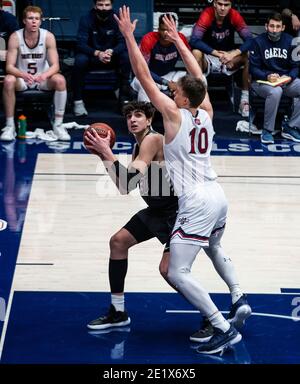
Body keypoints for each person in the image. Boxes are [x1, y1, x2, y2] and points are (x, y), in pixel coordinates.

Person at [114, 7, 251, 354]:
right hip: (218, 194)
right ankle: (238, 294)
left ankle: (221, 327)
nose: (170, 92)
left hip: (196, 200)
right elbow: (197, 77)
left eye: (175, 91)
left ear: (183, 99)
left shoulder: (174, 118)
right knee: (214, 247)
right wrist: (179, 41)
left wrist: (130, 37)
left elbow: (143, 75)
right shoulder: (206, 112)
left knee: (176, 272)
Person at [84, 100, 179, 330]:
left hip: (175, 213)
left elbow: (127, 183)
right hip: (157, 210)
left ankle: (210, 316)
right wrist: (102, 156)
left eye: (138, 115)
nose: (133, 120)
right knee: (118, 242)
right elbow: (124, 186)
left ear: (149, 120)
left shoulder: (153, 139)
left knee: (170, 272)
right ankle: (118, 312)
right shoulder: (138, 145)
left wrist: (107, 152)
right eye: (129, 117)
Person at [0, 6, 69, 142]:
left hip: (41, 79)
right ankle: (9, 126)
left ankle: (58, 125)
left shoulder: (48, 36)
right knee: (8, 80)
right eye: (30, 18)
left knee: (60, 80)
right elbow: (9, 67)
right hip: (22, 79)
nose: (34, 22)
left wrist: (44, 75)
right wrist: (22, 74)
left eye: (37, 19)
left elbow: (55, 65)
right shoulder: (15, 37)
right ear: (24, 21)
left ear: (41, 21)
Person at [189, 0, 252, 118]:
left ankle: (244, 101)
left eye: (226, 5)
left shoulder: (234, 15)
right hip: (209, 57)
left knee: (249, 54)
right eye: (220, 4)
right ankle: (198, 99)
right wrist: (217, 54)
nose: (223, 8)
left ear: (231, 5)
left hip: (229, 58)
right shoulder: (207, 14)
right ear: (214, 4)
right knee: (195, 53)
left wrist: (233, 54)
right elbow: (194, 40)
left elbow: (250, 40)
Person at [72, 0, 132, 117]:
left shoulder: (117, 19)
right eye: (100, 5)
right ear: (94, 6)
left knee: (125, 57)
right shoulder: (86, 19)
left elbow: (123, 42)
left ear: (111, 6)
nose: (104, 8)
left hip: (111, 56)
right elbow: (81, 44)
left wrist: (112, 51)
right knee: (79, 60)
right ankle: (77, 101)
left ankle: (124, 99)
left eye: (107, 5)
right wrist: (97, 53)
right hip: (92, 56)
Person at [249, 12, 300, 144]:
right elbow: (253, 69)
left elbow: (296, 66)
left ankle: (290, 127)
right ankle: (267, 130)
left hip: (284, 81)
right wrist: (267, 76)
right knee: (275, 91)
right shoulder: (257, 42)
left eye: (278, 26)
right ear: (266, 27)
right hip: (261, 81)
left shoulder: (292, 41)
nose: (275, 30)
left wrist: (290, 76)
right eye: (272, 26)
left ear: (283, 28)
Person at [131, 13, 190, 102]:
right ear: (158, 29)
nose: (166, 33)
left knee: (193, 81)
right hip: (149, 76)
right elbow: (142, 70)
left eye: (170, 30)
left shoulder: (180, 39)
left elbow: (189, 62)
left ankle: (186, 114)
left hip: (170, 74)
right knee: (146, 86)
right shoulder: (149, 39)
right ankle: (146, 113)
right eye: (163, 30)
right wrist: (166, 83)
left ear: (175, 29)